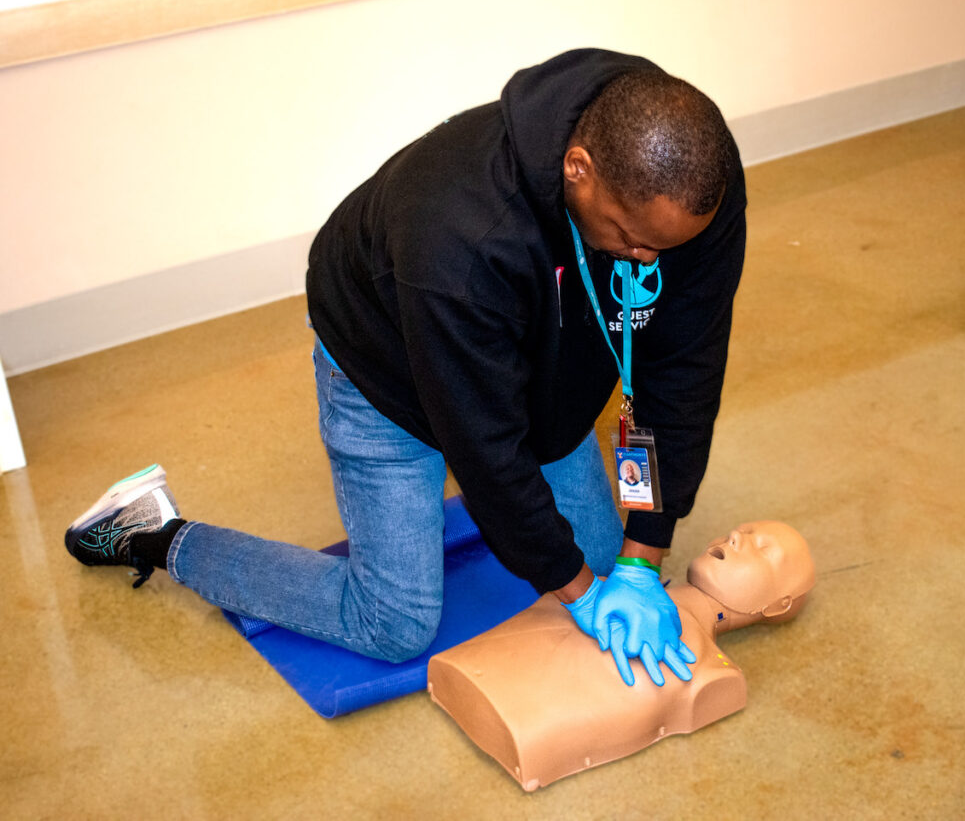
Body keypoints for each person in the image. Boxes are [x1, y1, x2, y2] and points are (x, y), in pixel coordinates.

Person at [65, 48, 746, 688]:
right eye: (631, 238)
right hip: (384, 364)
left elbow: (684, 373)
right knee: (393, 622)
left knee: (597, 556)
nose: (648, 259)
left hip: (532, 345)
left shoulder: (688, 186)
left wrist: (639, 560)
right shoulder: (461, 240)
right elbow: (485, 448)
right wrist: (574, 589)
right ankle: (151, 531)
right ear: (578, 167)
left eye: (664, 245)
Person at [428, 521, 815, 791]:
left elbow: (677, 431)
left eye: (763, 549)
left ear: (777, 606)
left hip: (522, 733)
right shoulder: (601, 582)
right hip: (473, 665)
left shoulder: (715, 678)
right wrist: (588, 587)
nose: (736, 536)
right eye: (744, 530)